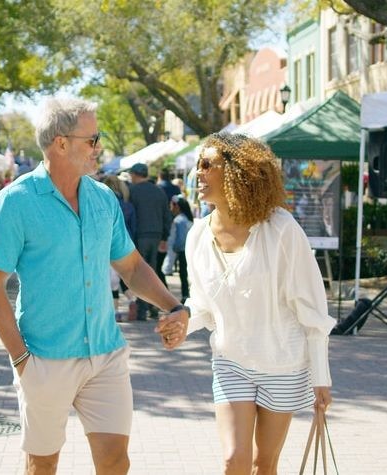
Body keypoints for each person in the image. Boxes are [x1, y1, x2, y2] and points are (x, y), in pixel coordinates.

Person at [0, 97, 188, 475]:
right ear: (61, 143)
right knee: (42, 465)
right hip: (44, 357)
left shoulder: (103, 198)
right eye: (92, 139)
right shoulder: (15, 202)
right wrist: (22, 360)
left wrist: (173, 306)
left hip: (105, 354)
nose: (99, 148)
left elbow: (132, 267)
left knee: (115, 462)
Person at [179, 133, 335, 474]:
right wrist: (182, 323)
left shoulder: (280, 229)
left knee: (263, 463)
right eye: (197, 165)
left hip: (283, 364)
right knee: (233, 459)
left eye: (208, 165)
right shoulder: (197, 236)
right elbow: (203, 304)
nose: (198, 174)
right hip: (231, 361)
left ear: (237, 172)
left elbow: (311, 308)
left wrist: (321, 378)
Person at [127, 162, 172, 321]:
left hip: (140, 236)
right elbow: (167, 216)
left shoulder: (132, 191)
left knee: (139, 274)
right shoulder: (159, 191)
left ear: (135, 174)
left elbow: (130, 216)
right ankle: (154, 307)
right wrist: (165, 237)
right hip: (157, 236)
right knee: (153, 273)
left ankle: (142, 310)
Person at [166, 195, 193, 301]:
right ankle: (185, 294)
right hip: (185, 250)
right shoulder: (185, 219)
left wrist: (176, 248)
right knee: (184, 273)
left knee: (183, 273)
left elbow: (181, 238)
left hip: (181, 250)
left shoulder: (179, 220)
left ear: (177, 206)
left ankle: (185, 295)